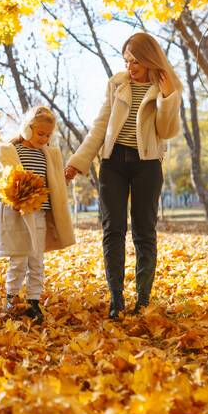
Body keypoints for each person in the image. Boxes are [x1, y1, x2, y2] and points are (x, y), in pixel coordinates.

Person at [64, 32, 182, 319]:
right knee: (112, 230)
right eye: (126, 61)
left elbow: (166, 131)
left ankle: (143, 299)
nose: (130, 66)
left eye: (136, 61)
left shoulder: (166, 87)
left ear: (150, 58)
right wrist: (78, 161)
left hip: (147, 165)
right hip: (113, 163)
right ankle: (116, 299)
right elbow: (100, 125)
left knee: (144, 232)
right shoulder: (117, 85)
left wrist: (167, 97)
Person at [0, 105, 76, 324]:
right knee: (19, 258)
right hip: (17, 214)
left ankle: (34, 301)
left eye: (48, 135)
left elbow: (54, 183)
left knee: (37, 259)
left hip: (39, 214)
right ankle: (12, 298)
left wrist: (65, 176)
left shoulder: (48, 154)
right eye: (40, 133)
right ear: (28, 128)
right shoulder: (11, 150)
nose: (44, 138)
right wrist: (10, 194)